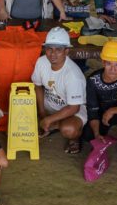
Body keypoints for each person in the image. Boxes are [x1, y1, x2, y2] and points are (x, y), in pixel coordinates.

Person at [31, 27, 88, 155]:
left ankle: (74, 138)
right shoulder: (41, 62)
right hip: (50, 103)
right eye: (49, 49)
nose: (53, 53)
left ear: (66, 51)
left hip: (72, 109)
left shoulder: (73, 75)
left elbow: (74, 108)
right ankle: (52, 124)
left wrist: (49, 120)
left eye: (58, 49)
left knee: (69, 129)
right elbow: (38, 86)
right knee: (23, 108)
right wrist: (42, 114)